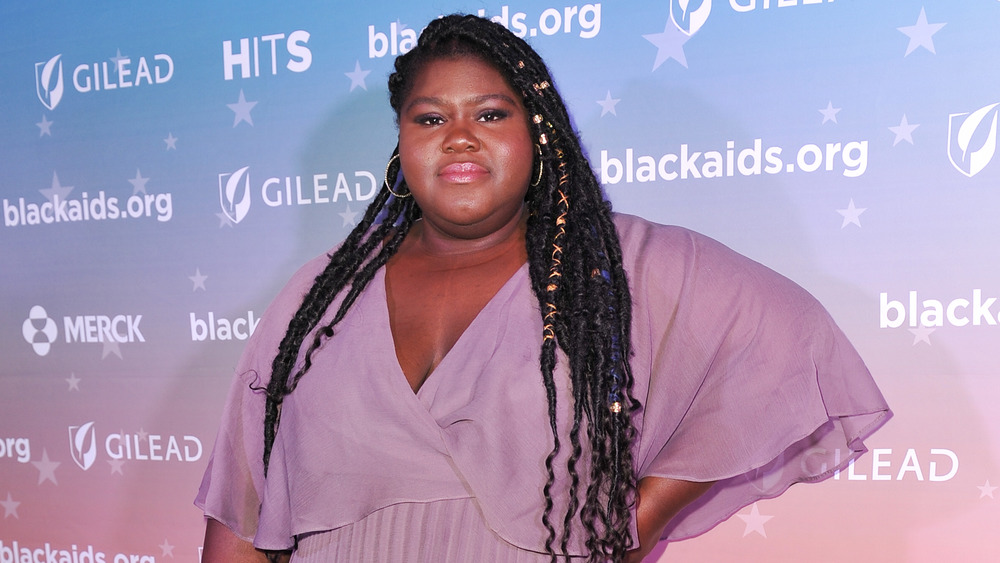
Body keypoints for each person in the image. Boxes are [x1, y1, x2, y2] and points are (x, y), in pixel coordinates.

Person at [196, 14, 890, 563]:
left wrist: (636, 518)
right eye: (431, 118)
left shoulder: (616, 265)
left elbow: (787, 343)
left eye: (491, 114)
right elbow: (243, 516)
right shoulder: (322, 292)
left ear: (539, 134)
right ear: (401, 142)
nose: (459, 138)